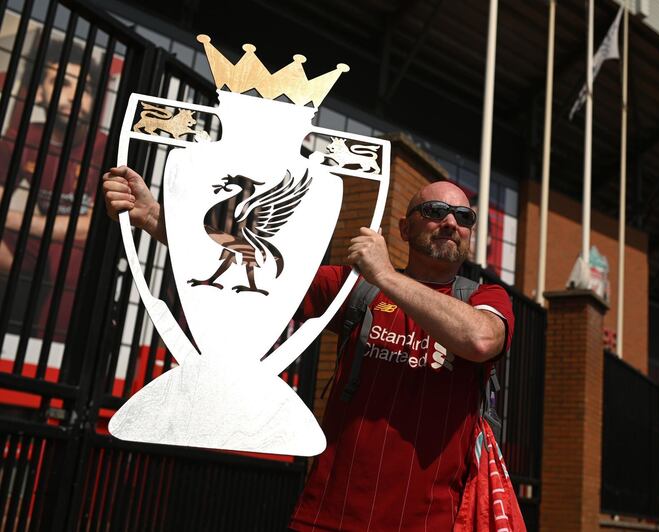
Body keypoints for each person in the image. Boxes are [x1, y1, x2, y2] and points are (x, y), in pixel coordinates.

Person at [102, 166, 515, 530]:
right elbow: (254, 267)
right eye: (433, 211)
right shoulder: (356, 288)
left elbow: (480, 340)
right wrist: (155, 218)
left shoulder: (487, 298)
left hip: (430, 524)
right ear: (405, 229)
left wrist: (386, 275)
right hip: (328, 516)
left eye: (463, 216)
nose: (449, 222)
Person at [0, 37, 104, 341]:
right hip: (37, 245)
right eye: (62, 83)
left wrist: (13, 220)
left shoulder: (103, 147)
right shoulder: (24, 137)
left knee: (72, 256)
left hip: (78, 254)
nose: (74, 97)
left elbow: (90, 226)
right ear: (42, 92)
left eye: (84, 88)